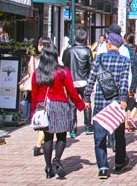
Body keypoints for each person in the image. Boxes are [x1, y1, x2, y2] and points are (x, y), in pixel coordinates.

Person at [30, 43, 86, 179]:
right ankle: (57, 160)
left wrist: (33, 112)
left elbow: (34, 94)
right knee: (61, 136)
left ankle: (48, 168)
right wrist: (81, 105)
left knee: (48, 138)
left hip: (42, 106)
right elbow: (72, 91)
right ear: (55, 56)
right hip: (59, 105)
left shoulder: (37, 73)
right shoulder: (62, 71)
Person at [88, 33, 131, 179]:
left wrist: (87, 96)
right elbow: (124, 82)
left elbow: (91, 79)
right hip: (116, 104)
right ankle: (119, 162)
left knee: (99, 137)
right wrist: (124, 98)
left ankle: (103, 168)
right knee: (119, 135)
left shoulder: (99, 59)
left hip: (100, 101)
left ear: (109, 44)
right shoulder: (125, 61)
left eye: (107, 42)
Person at [62, 28, 93, 137]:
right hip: (84, 81)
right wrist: (91, 82)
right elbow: (91, 67)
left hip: (71, 81)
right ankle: (88, 126)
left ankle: (72, 129)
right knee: (86, 103)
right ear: (85, 38)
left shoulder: (68, 51)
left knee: (72, 105)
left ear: (75, 38)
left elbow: (64, 66)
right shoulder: (87, 51)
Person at [26, 37, 53, 156]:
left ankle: (39, 144)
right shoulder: (51, 59)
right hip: (48, 93)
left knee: (41, 117)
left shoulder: (34, 59)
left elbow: (31, 72)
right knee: (45, 119)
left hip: (36, 91)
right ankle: (38, 145)